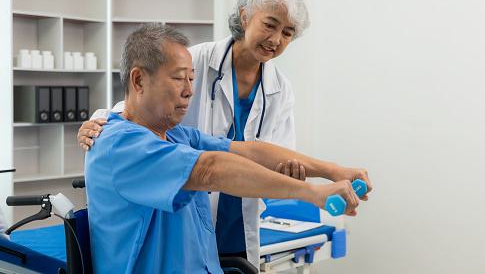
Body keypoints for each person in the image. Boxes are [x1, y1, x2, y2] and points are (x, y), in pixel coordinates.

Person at [86, 22, 371, 273]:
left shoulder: (175, 135)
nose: (189, 90)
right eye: (178, 78)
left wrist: (332, 171)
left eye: (191, 78)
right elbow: (211, 169)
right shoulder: (121, 143)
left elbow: (249, 151)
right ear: (138, 80)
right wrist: (315, 194)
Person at [79, 0, 315, 267]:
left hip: (235, 219)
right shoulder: (195, 61)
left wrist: (326, 172)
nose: (276, 39)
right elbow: (135, 110)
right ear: (245, 17)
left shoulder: (279, 88)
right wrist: (97, 123)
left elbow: (258, 152)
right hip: (183, 206)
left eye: (287, 33)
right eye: (270, 25)